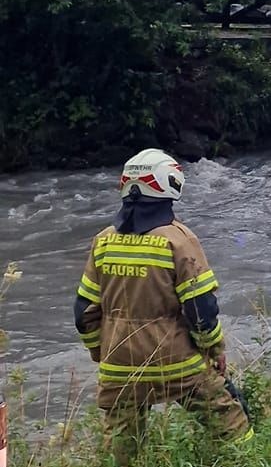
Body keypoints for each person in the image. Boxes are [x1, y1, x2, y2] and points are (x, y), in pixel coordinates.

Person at [73, 148, 251, 466]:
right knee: (232, 428)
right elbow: (201, 310)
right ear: (169, 185)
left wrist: (103, 352)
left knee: (122, 453)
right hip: (178, 365)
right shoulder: (179, 240)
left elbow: (83, 312)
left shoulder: (102, 241)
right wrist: (215, 351)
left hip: (119, 369)